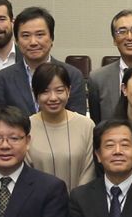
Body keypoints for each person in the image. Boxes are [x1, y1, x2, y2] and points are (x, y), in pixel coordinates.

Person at [0, 6, 89, 117]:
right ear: (17, 41)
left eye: (40, 35)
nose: (33, 42)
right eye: (26, 36)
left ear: (52, 38)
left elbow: (77, 122)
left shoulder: (73, 75)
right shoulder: (3, 79)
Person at [25, 59, 97, 190]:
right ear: (35, 93)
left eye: (59, 90)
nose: (53, 97)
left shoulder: (86, 126)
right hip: (39, 205)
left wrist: (77, 202)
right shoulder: (26, 127)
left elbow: (90, 170)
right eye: (45, 91)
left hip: (79, 205)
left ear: (68, 91)